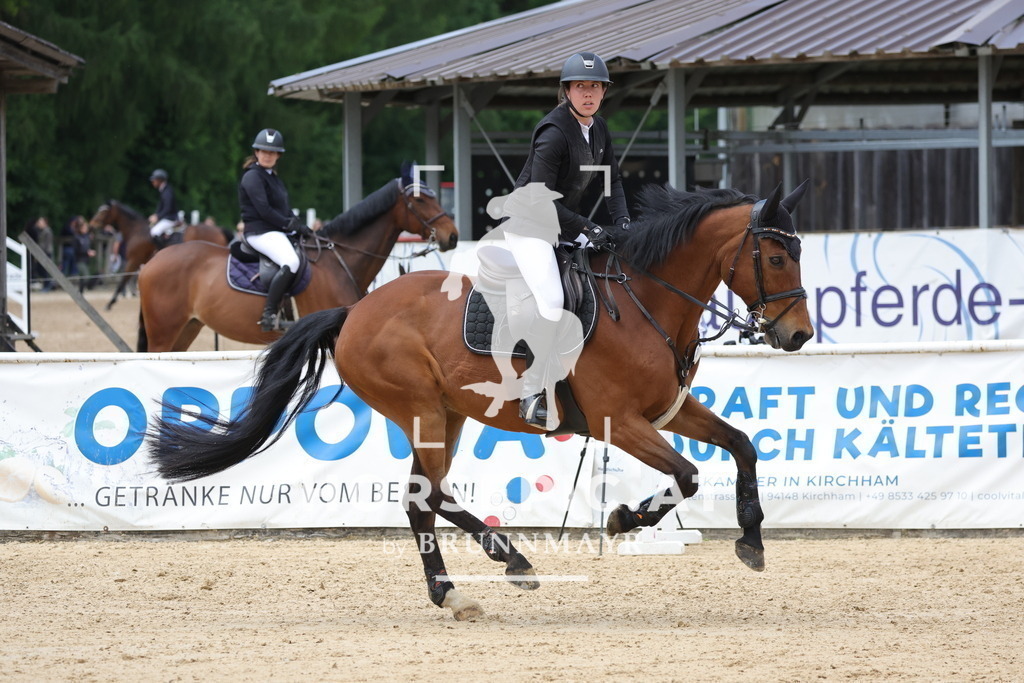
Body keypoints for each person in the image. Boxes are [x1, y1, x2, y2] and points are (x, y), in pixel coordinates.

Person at [508, 50, 631, 427]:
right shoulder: (554, 132)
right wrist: (588, 227)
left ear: (604, 92)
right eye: (581, 87)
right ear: (567, 91)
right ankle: (531, 391)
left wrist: (623, 224)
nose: (589, 93)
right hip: (529, 226)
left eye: (595, 86)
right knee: (552, 299)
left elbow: (613, 181)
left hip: (561, 227)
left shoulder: (599, 129)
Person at [237, 128, 311, 331]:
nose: (267, 155)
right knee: (291, 261)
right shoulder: (252, 177)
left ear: (278, 155)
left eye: (272, 152)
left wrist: (299, 225)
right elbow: (264, 210)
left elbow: (284, 208)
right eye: (263, 151)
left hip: (276, 231)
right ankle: (269, 313)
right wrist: (288, 225)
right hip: (260, 232)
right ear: (256, 152)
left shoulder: (273, 178)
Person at [148, 168, 179, 247]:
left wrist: (158, 216)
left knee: (154, 232)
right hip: (166, 218)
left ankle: (161, 251)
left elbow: (168, 208)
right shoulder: (164, 190)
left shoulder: (167, 192)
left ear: (159, 180)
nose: (153, 182)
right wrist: (156, 215)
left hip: (170, 219)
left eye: (154, 180)